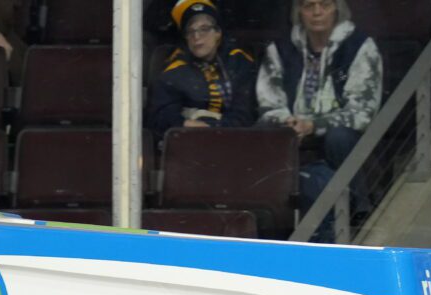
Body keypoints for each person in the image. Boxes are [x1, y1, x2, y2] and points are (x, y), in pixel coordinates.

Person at [257, 0, 383, 241]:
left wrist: (315, 125)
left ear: (337, 8)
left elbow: (363, 110)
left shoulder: (360, 46)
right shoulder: (280, 48)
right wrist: (290, 124)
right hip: (292, 130)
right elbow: (269, 102)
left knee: (339, 137)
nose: (316, 13)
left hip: (339, 134)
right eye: (308, 5)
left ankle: (358, 211)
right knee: (263, 130)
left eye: (324, 4)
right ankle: (269, 214)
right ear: (298, 12)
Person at [149, 0, 257, 141]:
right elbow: (161, 116)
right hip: (190, 142)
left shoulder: (239, 61)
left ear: (218, 32)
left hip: (236, 141)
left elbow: (245, 113)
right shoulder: (174, 70)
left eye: (204, 29)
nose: (197, 36)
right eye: (190, 31)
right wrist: (184, 123)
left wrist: (214, 127)